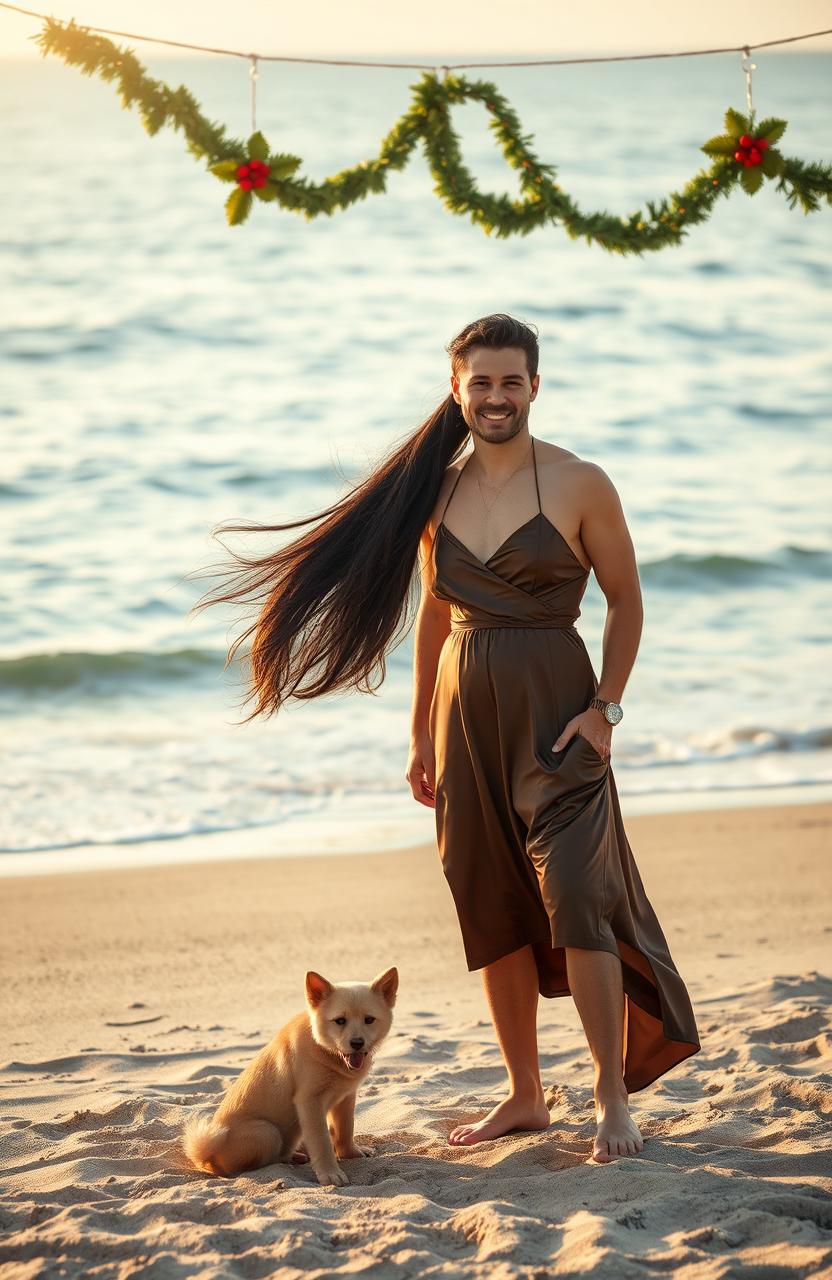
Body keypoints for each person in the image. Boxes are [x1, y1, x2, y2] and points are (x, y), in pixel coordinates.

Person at [190, 312, 700, 1165]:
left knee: (579, 899)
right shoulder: (436, 491)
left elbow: (628, 602)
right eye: (480, 382)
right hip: (464, 721)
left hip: (557, 718)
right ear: (455, 389)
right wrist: (421, 726)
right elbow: (433, 611)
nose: (496, 397)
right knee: (493, 906)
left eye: (511, 381)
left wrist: (605, 710)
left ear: (536, 386)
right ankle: (527, 1097)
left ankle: (612, 1097)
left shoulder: (582, 483)